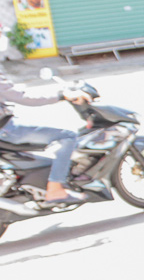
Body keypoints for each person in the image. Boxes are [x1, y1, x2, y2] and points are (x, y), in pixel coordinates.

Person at [0, 70, 90, 203]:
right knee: (68, 136)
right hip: (7, 129)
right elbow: (22, 97)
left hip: (6, 126)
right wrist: (61, 95)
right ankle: (55, 188)